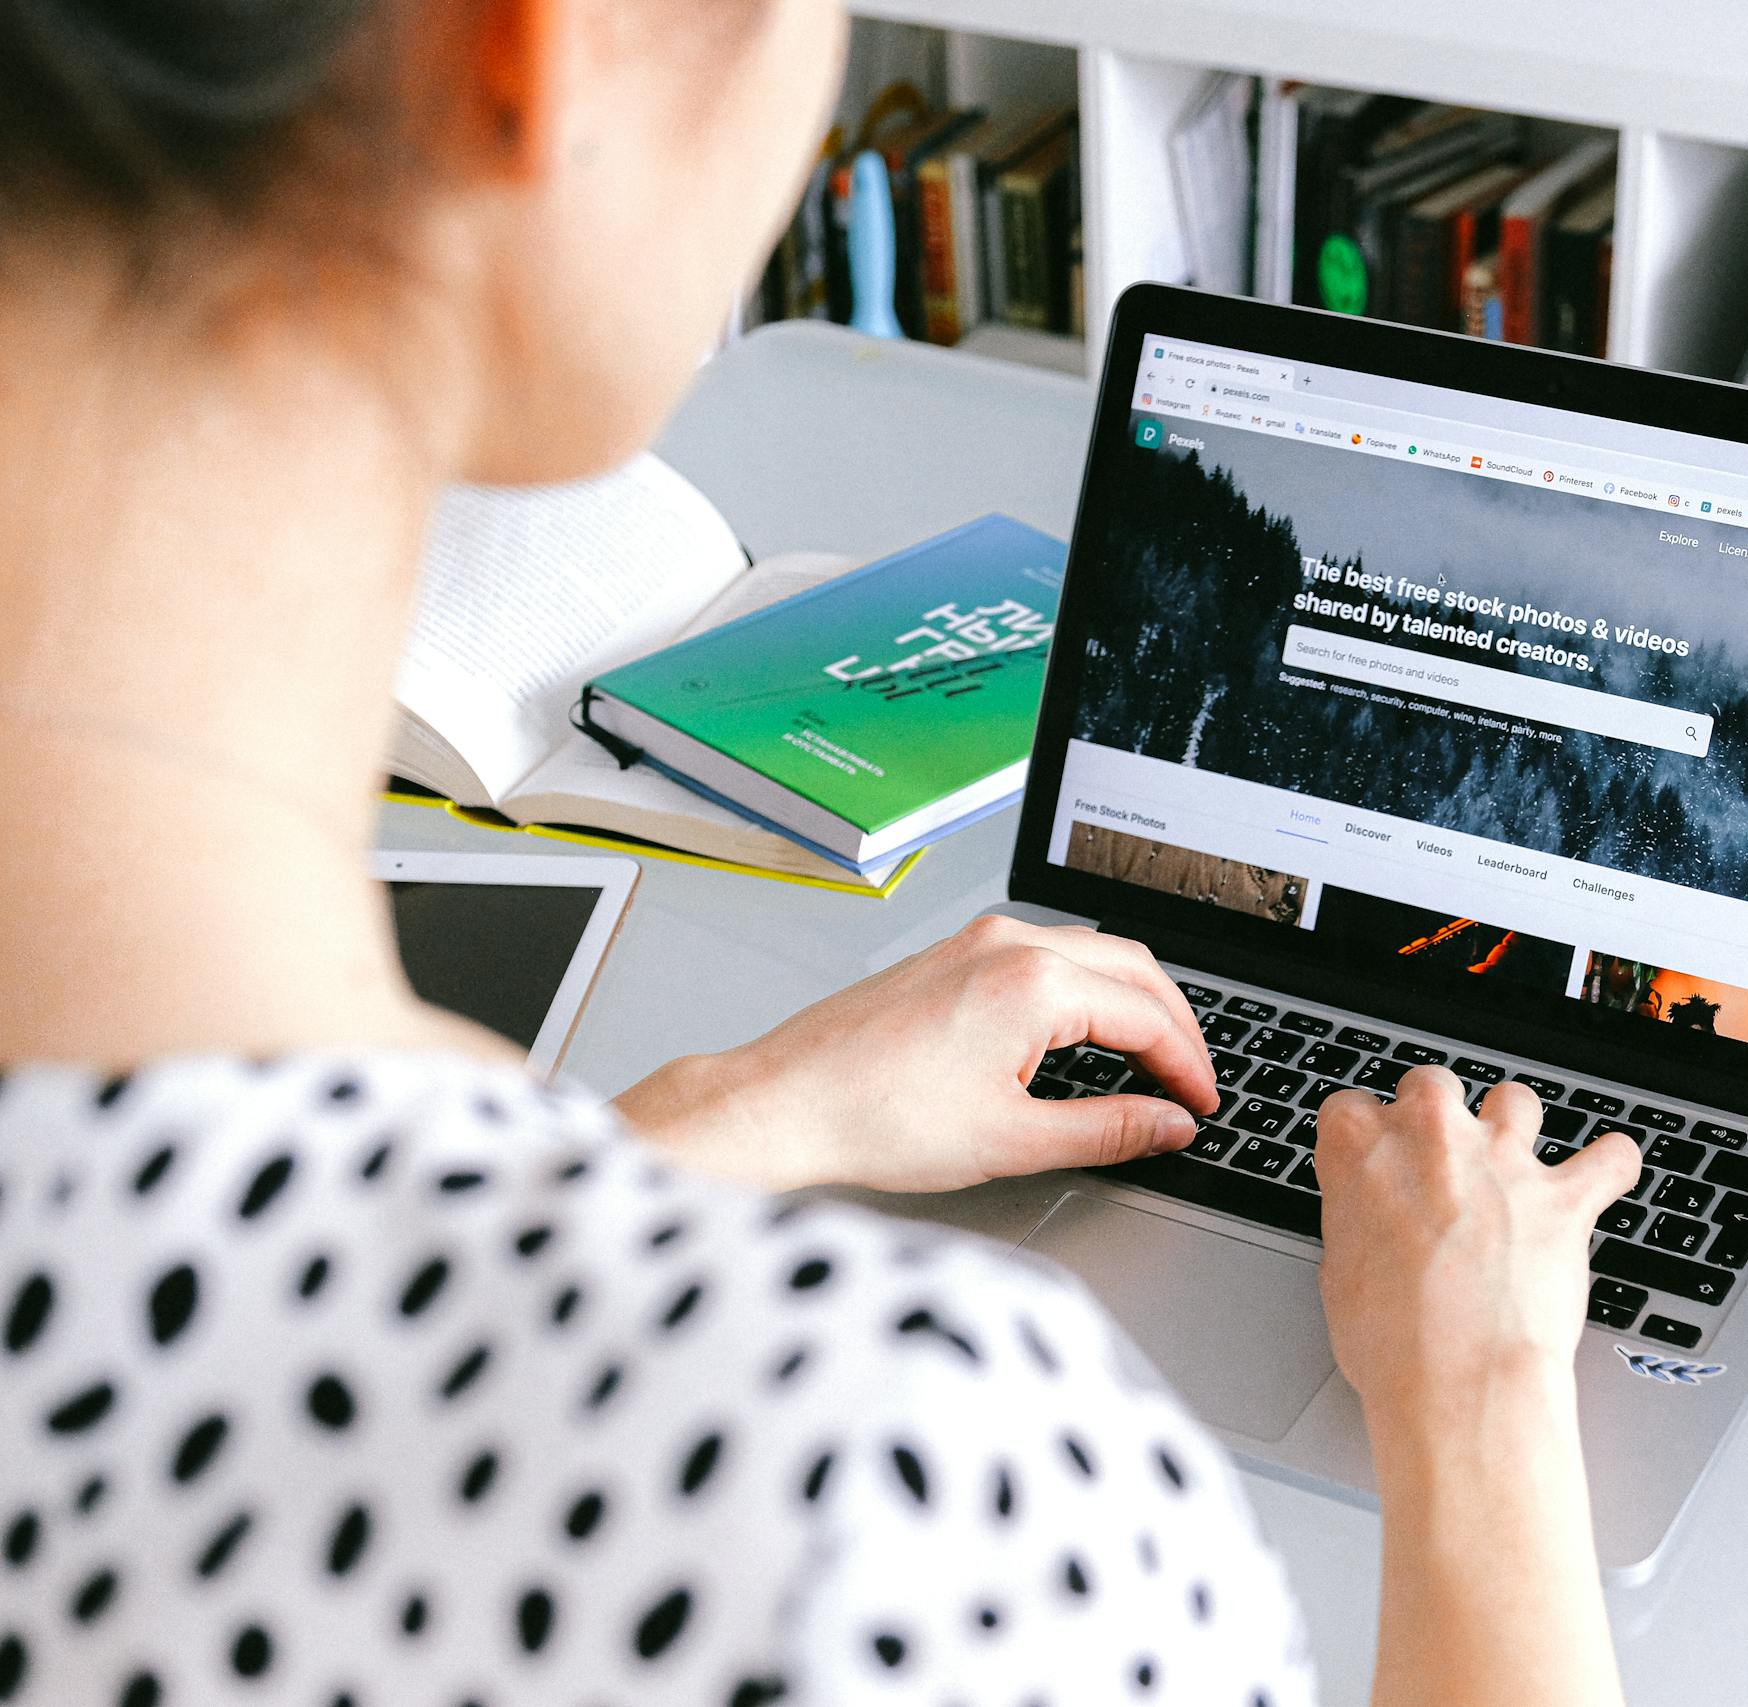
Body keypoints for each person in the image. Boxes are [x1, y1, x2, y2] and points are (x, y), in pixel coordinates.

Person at [0, 2, 1643, 1703]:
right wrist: (1483, 1402)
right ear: (541, 56)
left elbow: (293, 1366)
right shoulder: (881, 1498)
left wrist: (720, 1119)